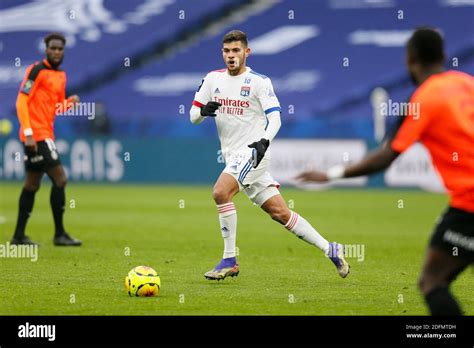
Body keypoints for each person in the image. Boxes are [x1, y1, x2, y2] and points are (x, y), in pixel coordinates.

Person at [297, 27, 474, 315]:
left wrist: (330, 175)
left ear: (410, 59)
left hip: (469, 203)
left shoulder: (423, 99)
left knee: (433, 281)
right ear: (444, 56)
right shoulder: (467, 82)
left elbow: (387, 155)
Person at [190, 30, 350, 281]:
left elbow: (275, 117)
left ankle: (230, 259)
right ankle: (330, 248)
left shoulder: (258, 82)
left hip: (254, 153)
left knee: (220, 192)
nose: (231, 56)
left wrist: (264, 141)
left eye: (236, 51)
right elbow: (193, 117)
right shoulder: (211, 80)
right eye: (226, 51)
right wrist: (204, 111)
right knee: (280, 213)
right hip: (233, 156)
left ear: (246, 52)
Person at [11, 32, 82, 246]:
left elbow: (57, 107)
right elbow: (21, 101)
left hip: (44, 134)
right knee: (60, 179)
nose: (57, 52)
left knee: (32, 184)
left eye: (60, 49)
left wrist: (70, 102)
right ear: (46, 49)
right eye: (53, 48)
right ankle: (59, 234)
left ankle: (18, 236)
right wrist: (29, 133)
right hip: (37, 135)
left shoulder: (60, 75)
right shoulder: (36, 70)